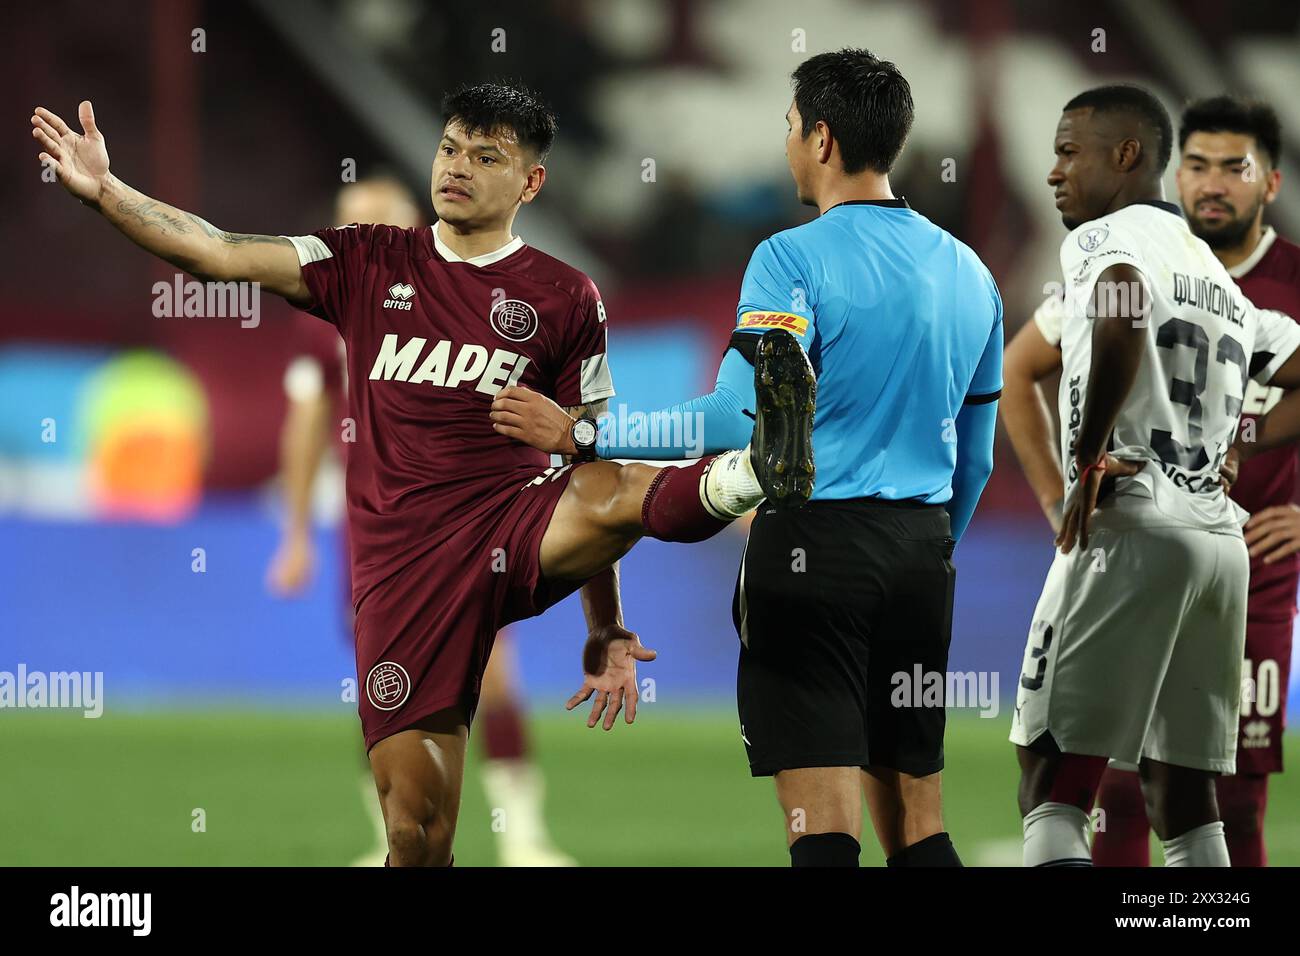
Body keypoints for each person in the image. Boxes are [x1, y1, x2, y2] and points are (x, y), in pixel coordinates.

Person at [32, 82, 814, 866]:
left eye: (486, 156)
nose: (458, 168)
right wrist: (108, 192)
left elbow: (592, 453)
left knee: (605, 482)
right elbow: (218, 250)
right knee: (416, 829)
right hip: (403, 570)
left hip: (513, 529)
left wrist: (603, 624)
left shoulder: (567, 296)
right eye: (449, 149)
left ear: (531, 182)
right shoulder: (367, 260)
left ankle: (750, 470)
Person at [491, 50, 1002, 867]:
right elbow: (973, 461)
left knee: (823, 825)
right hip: (920, 555)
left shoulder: (790, 259)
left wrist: (583, 434)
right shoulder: (972, 274)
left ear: (824, 139)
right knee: (920, 823)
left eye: (793, 128)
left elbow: (733, 418)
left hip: (813, 555)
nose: (789, 145)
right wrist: (932, 548)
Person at [1009, 84, 1300, 867]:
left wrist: (1088, 452)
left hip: (1133, 523)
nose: (1054, 172)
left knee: (1052, 783)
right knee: (1186, 797)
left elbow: (1123, 302)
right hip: (1217, 542)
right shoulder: (1218, 277)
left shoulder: (1106, 240)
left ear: (1126, 155)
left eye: (1070, 152)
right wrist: (1244, 439)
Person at [267, 175, 576, 867]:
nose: (360, 236)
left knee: (492, 669)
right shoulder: (326, 312)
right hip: (378, 527)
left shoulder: (474, 302)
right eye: (349, 222)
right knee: (384, 675)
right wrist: (294, 535)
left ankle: (522, 835)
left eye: (375, 222)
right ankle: (388, 836)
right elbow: (305, 424)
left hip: (474, 518)